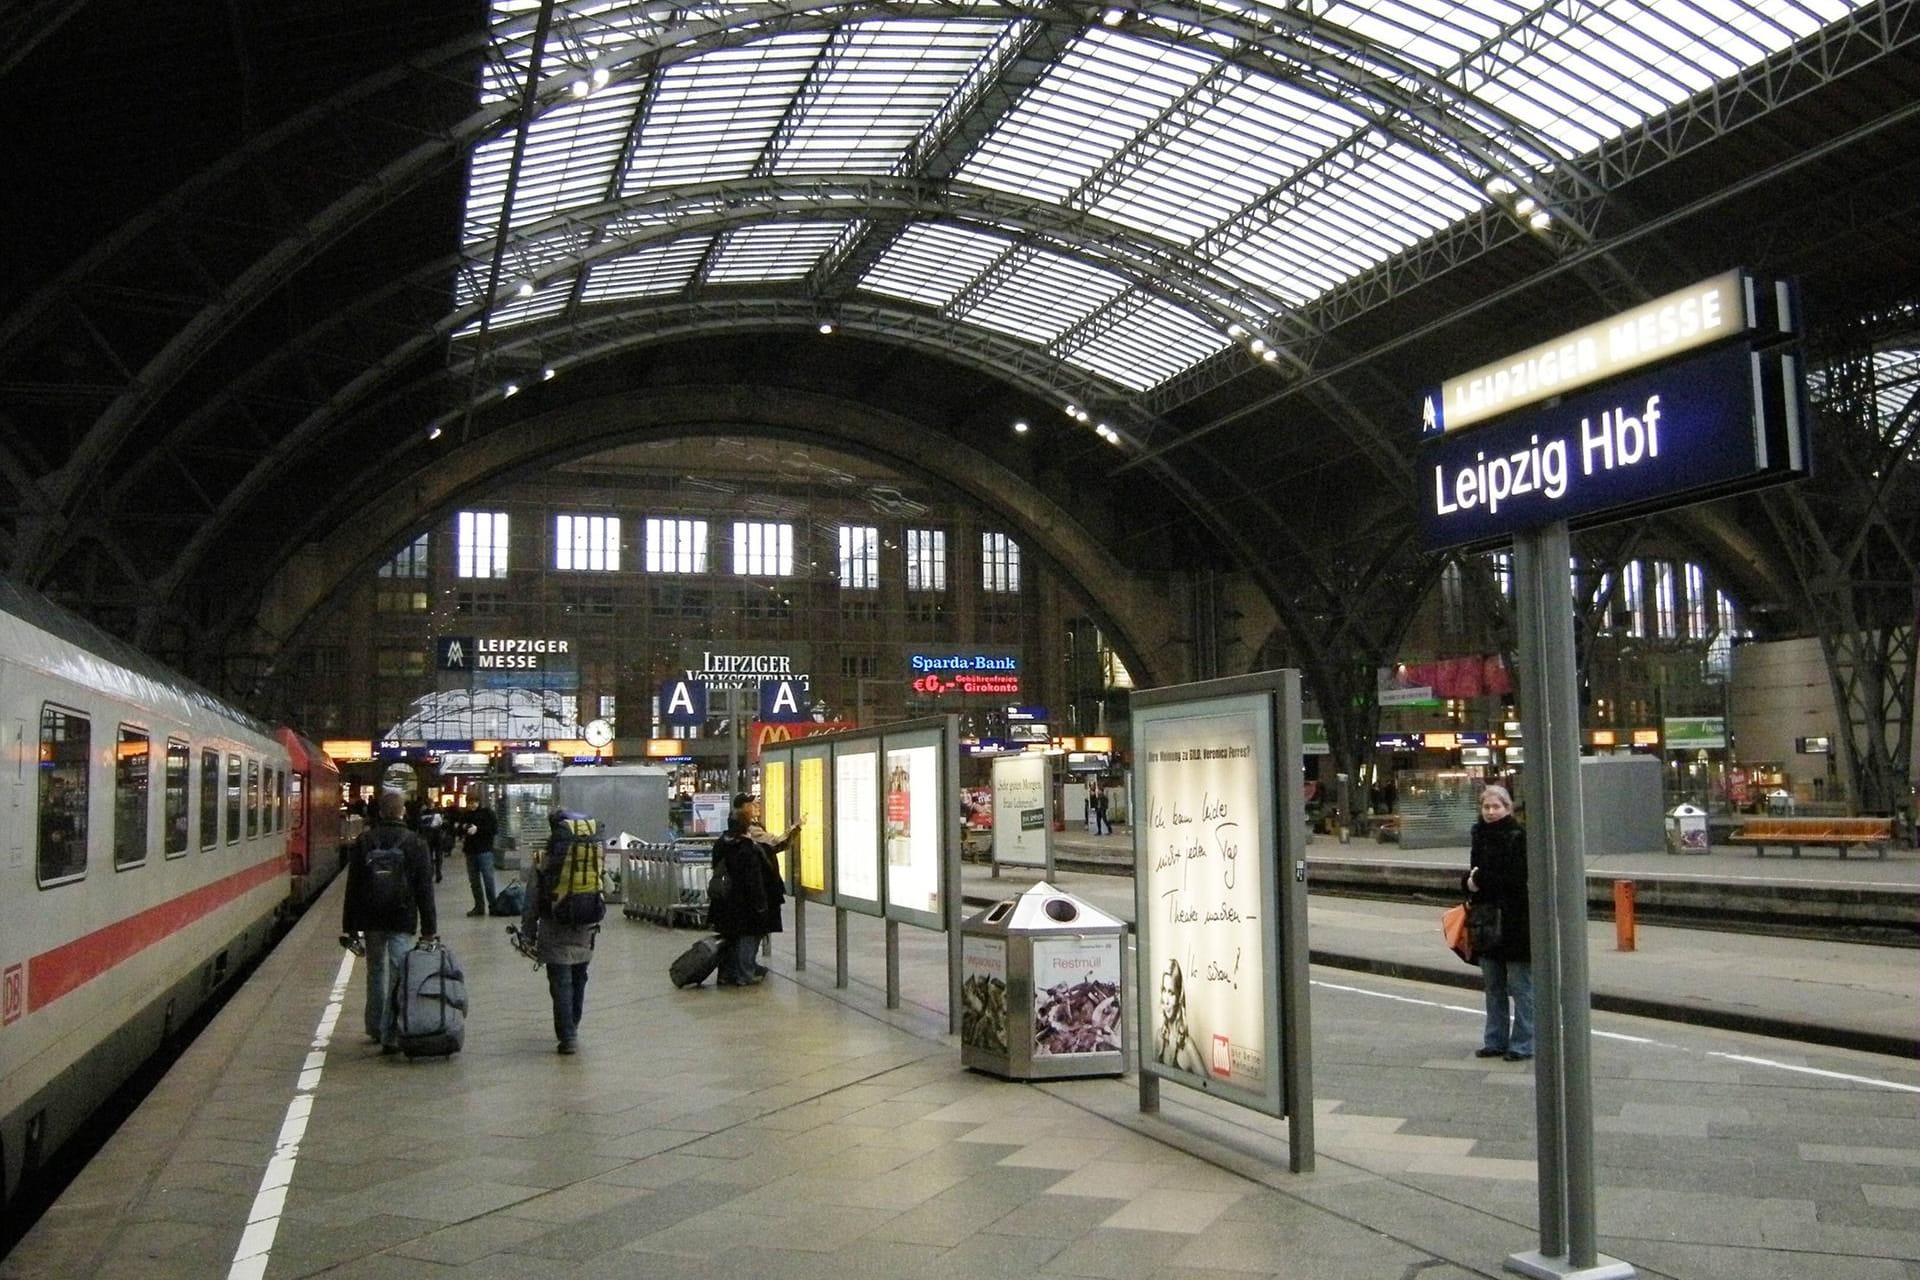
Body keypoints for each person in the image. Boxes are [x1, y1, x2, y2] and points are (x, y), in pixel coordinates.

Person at [340, 789, 438, 1055]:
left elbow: (353, 886)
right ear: (402, 811)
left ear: (380, 812)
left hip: (371, 917)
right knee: (399, 972)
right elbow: (424, 890)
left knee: (375, 971)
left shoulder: (365, 841)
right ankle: (391, 1031)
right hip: (401, 917)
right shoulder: (415, 843)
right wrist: (429, 929)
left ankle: (374, 1026)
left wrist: (349, 926)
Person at [1462, 783, 1532, 1062]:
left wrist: (1478, 881)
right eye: (1486, 807)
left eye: (1496, 806)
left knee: (1521, 987)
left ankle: (1523, 1043)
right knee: (1493, 985)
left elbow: (1516, 880)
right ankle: (1495, 1040)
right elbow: (1472, 874)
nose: (1491, 812)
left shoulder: (1518, 836)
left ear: (1508, 807)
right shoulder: (1479, 835)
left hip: (1516, 922)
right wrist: (1469, 883)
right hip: (1486, 922)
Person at [521, 812, 600, 1054]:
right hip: (585, 929)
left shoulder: (543, 859)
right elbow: (603, 888)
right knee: (579, 979)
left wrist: (528, 932)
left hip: (554, 927)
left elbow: (532, 899)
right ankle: (572, 1025)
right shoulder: (590, 856)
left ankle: (568, 1036)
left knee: (561, 983)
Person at [1153, 958, 1202, 1071]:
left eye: (1171, 993)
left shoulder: (1187, 1047)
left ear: (1179, 996)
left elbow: (1209, 1084)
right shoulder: (1159, 1037)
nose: (1166, 1000)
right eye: (1164, 990)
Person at [460, 799, 499, 916]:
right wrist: (463, 827)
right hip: (470, 851)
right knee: (474, 881)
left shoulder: (487, 813)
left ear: (478, 802)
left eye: (474, 802)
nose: (472, 805)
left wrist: (478, 829)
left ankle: (493, 905)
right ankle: (479, 906)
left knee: (488, 879)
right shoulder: (466, 815)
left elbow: (494, 829)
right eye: (470, 803)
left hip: (484, 850)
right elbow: (458, 829)